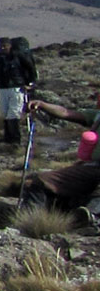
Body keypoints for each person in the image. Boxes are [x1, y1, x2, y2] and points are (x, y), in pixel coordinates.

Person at [21, 91, 100, 223]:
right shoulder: (97, 116)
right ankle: (28, 223)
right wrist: (42, 105)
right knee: (37, 182)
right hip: (92, 167)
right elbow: (65, 112)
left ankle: (92, 217)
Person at [0, 38, 40, 144]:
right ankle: (8, 138)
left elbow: (31, 69)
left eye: (5, 46)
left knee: (13, 113)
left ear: (10, 46)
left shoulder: (18, 56)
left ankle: (15, 139)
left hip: (17, 88)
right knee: (5, 112)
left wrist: (29, 84)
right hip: (3, 88)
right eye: (0, 46)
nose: (2, 48)